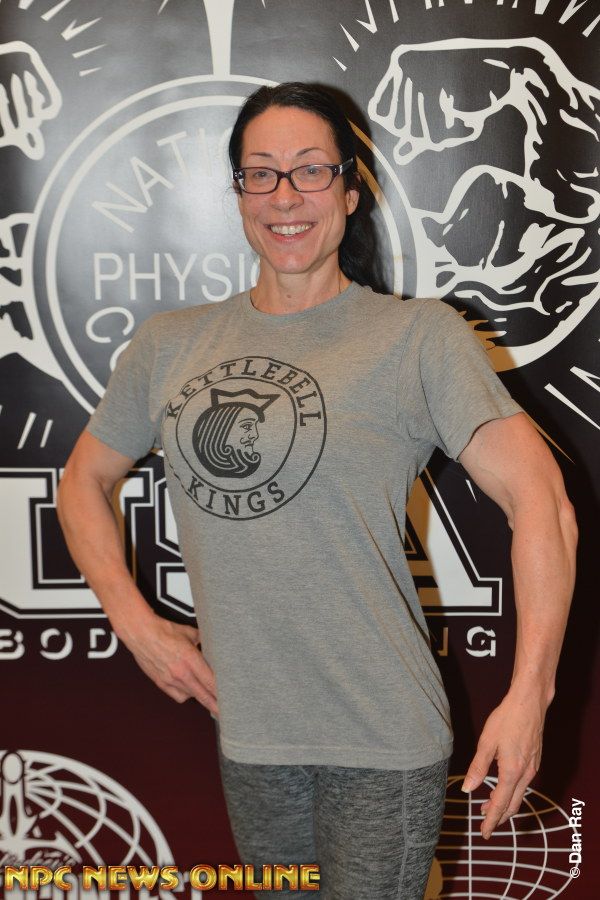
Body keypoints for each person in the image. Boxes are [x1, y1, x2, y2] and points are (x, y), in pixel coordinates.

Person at [56, 82, 577, 899]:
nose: (285, 196)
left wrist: (530, 696)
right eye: (260, 173)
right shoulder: (170, 344)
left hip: (382, 738)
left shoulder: (415, 337)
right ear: (237, 192)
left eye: (310, 170)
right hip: (252, 736)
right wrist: (133, 620)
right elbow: (82, 479)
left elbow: (542, 504)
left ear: (350, 188)